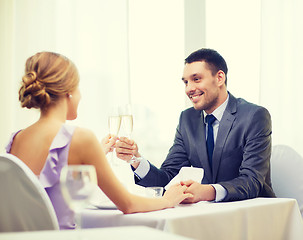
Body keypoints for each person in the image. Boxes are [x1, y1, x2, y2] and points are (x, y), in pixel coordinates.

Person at [5, 52, 192, 229]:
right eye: (78, 87)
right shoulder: (81, 138)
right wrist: (168, 200)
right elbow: (128, 204)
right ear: (69, 92)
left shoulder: (16, 139)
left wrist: (96, 153)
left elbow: (44, 189)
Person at [116, 48, 276, 203]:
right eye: (186, 82)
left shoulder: (254, 116)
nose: (189, 89)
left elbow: (252, 181)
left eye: (196, 79)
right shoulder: (187, 119)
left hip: (254, 212)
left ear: (220, 78)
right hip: (208, 214)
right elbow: (167, 177)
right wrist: (135, 159)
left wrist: (207, 191)